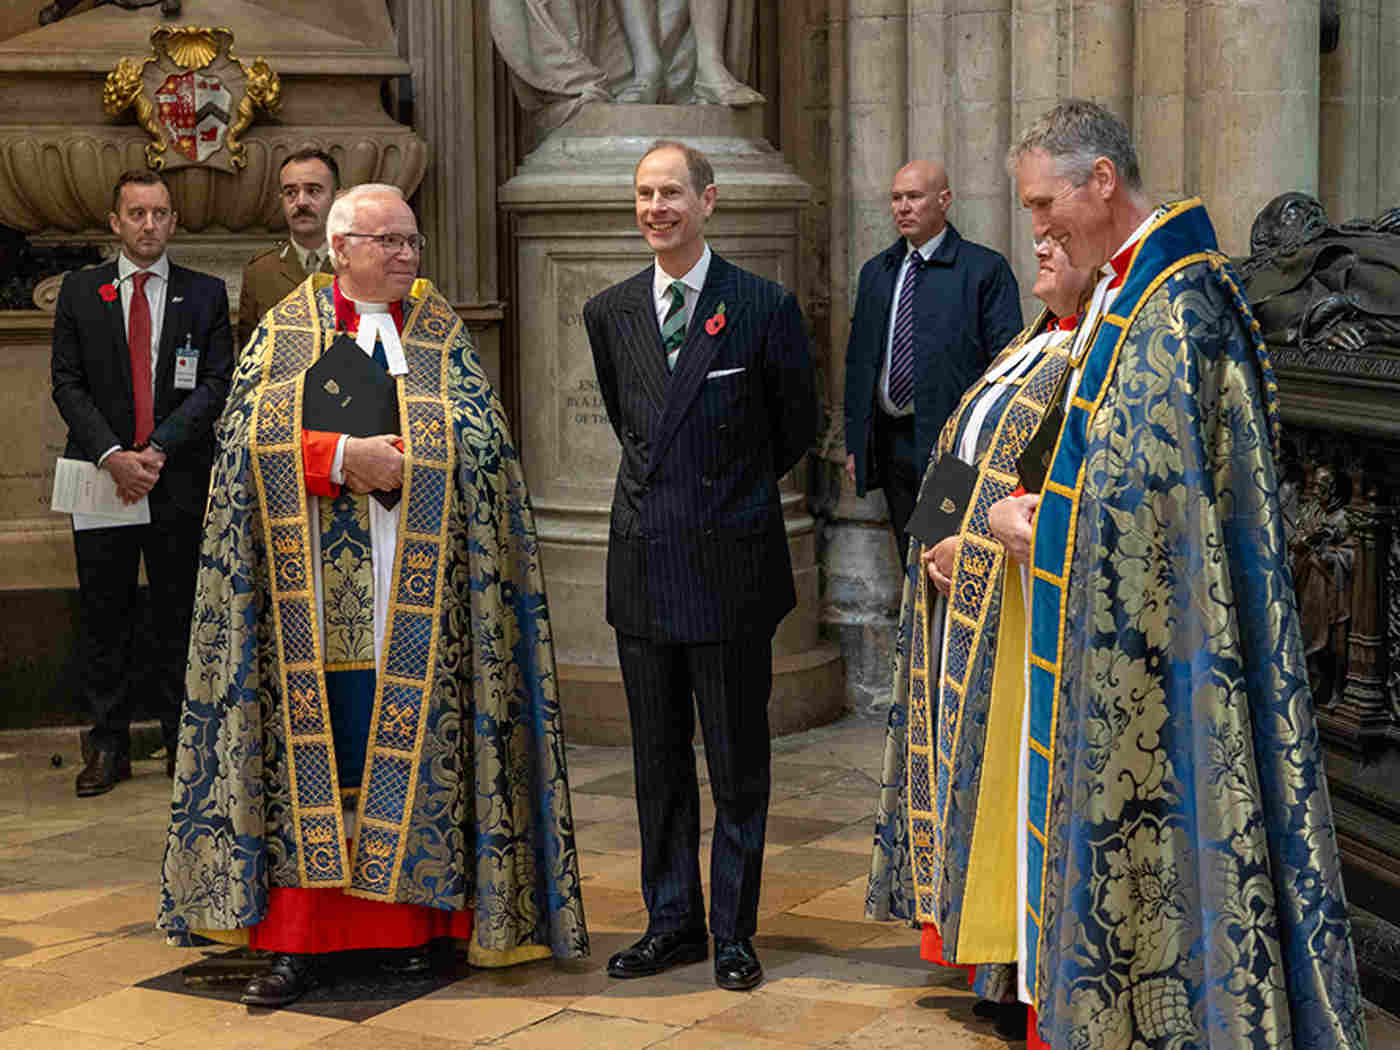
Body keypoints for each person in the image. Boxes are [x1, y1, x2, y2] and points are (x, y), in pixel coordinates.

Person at [986, 99, 1365, 1050]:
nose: (1037, 227)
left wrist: (1040, 529)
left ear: (1101, 181)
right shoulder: (1133, 295)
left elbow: (1153, 510)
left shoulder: (1176, 305)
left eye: (1043, 204)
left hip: (1168, 661)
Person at [157, 184, 588, 1007]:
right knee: (317, 766)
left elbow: (487, 447)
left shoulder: (440, 332)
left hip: (421, 603)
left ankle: (415, 933)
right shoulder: (287, 330)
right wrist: (341, 456)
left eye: (413, 241)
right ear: (342, 247)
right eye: (388, 241)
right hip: (305, 605)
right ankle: (301, 944)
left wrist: (422, 457)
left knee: (424, 754)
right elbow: (244, 440)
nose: (406, 256)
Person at [583, 140, 816, 991]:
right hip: (644, 563)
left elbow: (792, 430)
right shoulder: (609, 312)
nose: (657, 208)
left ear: (707, 201)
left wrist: (728, 503)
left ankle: (735, 933)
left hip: (731, 565)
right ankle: (671, 922)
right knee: (658, 763)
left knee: (737, 762)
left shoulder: (761, 306)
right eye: (644, 193)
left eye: (672, 192)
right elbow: (631, 424)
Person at [865, 235, 1096, 1040]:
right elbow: (963, 447)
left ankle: (1009, 968)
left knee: (1000, 782)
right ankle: (977, 952)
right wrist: (930, 538)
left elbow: (1051, 494)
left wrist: (980, 550)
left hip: (1010, 602)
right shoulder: (1030, 342)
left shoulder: (1087, 359)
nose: (1040, 246)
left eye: (1057, 237)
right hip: (952, 593)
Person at [51, 169, 233, 798]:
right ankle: (107, 744)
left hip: (176, 477)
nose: (148, 224)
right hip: (101, 479)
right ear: (115, 222)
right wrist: (112, 454)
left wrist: (156, 449)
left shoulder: (205, 294)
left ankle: (182, 742)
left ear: (174, 222)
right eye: (136, 214)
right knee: (105, 611)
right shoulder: (81, 291)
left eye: (159, 213)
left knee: (178, 610)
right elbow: (65, 383)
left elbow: (216, 384)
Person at [844, 159, 1022, 565]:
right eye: (895, 198)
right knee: (908, 553)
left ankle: (942, 631)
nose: (903, 207)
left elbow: (1007, 361)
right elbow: (859, 362)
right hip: (891, 442)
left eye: (914, 197)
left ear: (944, 200)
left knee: (942, 554)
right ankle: (913, 630)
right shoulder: (877, 272)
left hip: (952, 447)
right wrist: (857, 442)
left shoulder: (983, 269)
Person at [236, 148, 338, 348]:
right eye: (291, 192)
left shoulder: (357, 264)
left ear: (336, 197)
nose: (301, 202)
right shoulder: (260, 271)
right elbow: (248, 353)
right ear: (281, 199)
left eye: (313, 191)